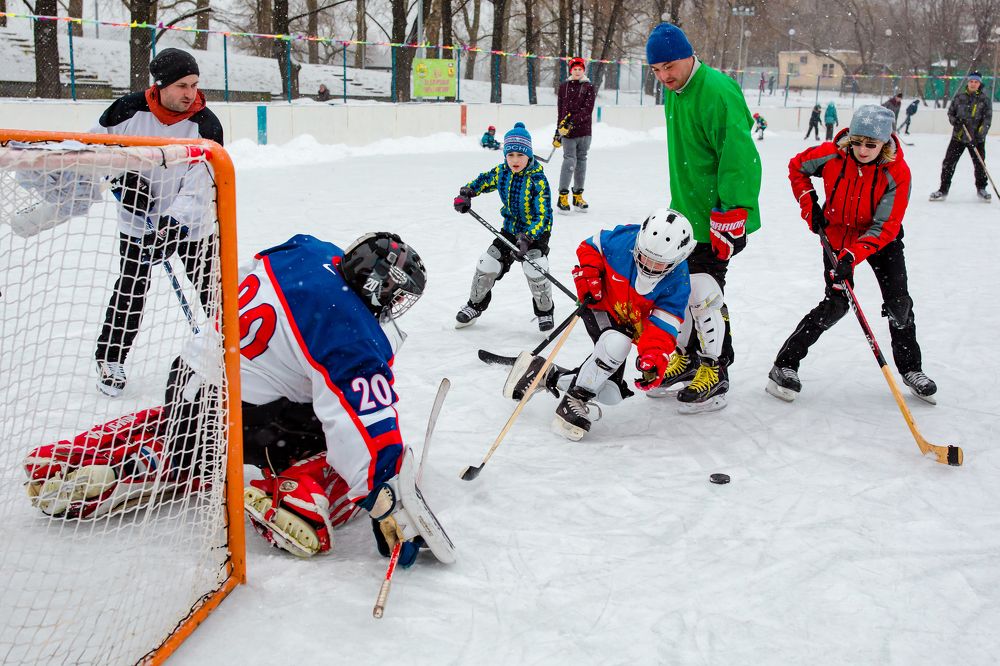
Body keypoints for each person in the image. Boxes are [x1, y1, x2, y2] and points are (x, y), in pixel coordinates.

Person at [23, 232, 457, 567]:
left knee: (193, 431)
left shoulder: (306, 250)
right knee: (340, 441)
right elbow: (360, 427)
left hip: (190, 379)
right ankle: (297, 495)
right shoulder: (353, 335)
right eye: (397, 296)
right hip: (253, 425)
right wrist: (386, 496)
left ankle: (114, 457)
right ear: (381, 286)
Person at [767, 105, 938, 404]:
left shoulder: (896, 171)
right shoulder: (833, 154)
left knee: (899, 303)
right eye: (857, 141)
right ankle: (784, 364)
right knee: (835, 304)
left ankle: (911, 368)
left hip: (880, 240)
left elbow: (886, 225)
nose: (862, 149)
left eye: (870, 145)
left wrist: (852, 256)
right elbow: (797, 167)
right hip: (836, 234)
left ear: (885, 142)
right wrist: (810, 205)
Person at [91, 48, 223, 397]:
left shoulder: (206, 124)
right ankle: (110, 357)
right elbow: (92, 151)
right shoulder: (127, 110)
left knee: (215, 293)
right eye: (181, 85)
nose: (190, 94)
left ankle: (233, 352)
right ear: (160, 85)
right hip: (137, 222)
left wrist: (173, 225)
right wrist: (120, 182)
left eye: (194, 85)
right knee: (131, 290)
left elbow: (202, 183)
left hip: (192, 228)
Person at [643, 22, 762, 414]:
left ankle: (717, 371)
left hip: (718, 217)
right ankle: (690, 359)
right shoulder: (676, 92)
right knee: (682, 291)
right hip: (686, 213)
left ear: (688, 55)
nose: (663, 76)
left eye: (669, 66)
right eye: (656, 70)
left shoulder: (717, 92)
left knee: (706, 293)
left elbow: (739, 159)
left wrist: (733, 214)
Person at [502, 209, 694, 440]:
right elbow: (589, 247)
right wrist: (589, 275)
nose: (649, 266)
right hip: (600, 305)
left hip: (627, 321)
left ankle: (544, 374)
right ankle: (573, 401)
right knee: (616, 344)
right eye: (644, 257)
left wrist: (653, 358)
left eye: (659, 263)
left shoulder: (679, 282)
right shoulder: (624, 241)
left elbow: (663, 327)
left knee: (610, 392)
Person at [452, 122, 555, 331]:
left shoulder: (538, 180)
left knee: (535, 269)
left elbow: (543, 216)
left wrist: (527, 238)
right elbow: (483, 181)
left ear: (529, 155)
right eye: (510, 155)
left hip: (534, 235)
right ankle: (474, 305)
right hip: (509, 230)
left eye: (520, 155)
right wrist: (467, 193)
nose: (515, 160)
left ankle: (545, 312)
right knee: (487, 263)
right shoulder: (502, 172)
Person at [929, 71, 993, 203]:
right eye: (971, 81)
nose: (973, 84)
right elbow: (950, 113)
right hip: (958, 137)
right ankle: (943, 189)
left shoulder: (984, 100)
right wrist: (955, 121)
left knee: (980, 164)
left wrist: (979, 136)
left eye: (976, 82)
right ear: (968, 82)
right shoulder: (959, 97)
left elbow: (987, 120)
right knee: (948, 163)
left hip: (976, 140)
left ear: (979, 83)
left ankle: (982, 188)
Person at [556, 57, 597, 213]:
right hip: (567, 134)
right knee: (569, 161)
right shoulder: (564, 87)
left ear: (583, 71)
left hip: (584, 132)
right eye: (575, 69)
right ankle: (563, 196)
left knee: (581, 162)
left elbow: (587, 110)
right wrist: (557, 132)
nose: (577, 71)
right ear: (570, 70)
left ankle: (578, 196)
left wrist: (570, 123)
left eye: (580, 69)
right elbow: (561, 111)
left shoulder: (589, 87)